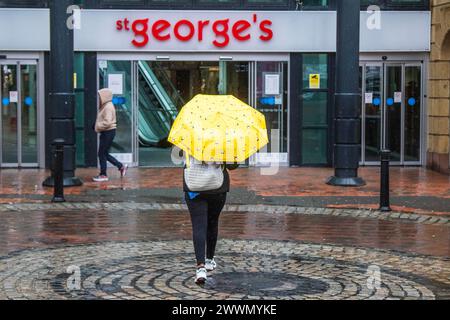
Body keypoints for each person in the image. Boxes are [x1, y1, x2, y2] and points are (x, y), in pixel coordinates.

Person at [183, 153, 239, 285]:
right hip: (218, 187)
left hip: (194, 186)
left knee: (199, 226)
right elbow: (232, 165)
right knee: (213, 222)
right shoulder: (224, 139)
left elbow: (181, 157)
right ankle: (209, 260)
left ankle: (200, 268)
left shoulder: (188, 136)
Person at [93, 88, 128, 182]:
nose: (98, 98)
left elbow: (107, 122)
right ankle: (121, 166)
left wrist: (97, 126)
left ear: (104, 96)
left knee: (102, 153)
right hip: (107, 132)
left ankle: (104, 175)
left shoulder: (108, 106)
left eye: (100, 96)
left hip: (108, 132)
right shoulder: (105, 105)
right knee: (103, 153)